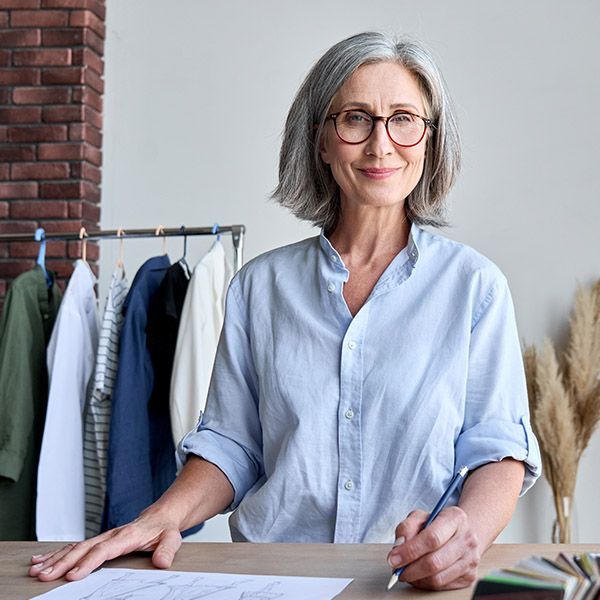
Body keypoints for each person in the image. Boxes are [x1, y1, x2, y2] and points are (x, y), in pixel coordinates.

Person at [29, 31, 541, 591]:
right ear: (321, 141)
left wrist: (465, 530)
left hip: (406, 585)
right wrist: (159, 517)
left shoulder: (475, 288)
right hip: (271, 581)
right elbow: (233, 443)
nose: (381, 144)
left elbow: (498, 452)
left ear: (430, 141)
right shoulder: (259, 288)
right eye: (355, 118)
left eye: (403, 118)